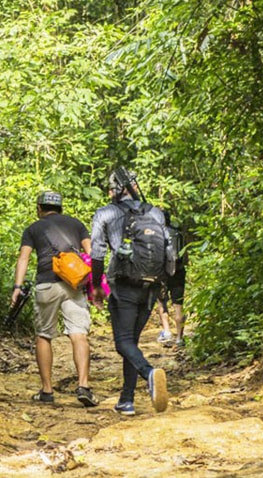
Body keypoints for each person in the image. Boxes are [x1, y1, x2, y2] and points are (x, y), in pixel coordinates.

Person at [90, 167, 169, 416]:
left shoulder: (105, 213)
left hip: (123, 284)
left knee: (123, 342)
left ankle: (148, 374)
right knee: (130, 342)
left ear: (115, 190)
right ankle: (126, 400)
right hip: (151, 285)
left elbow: (97, 254)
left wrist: (95, 286)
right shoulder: (156, 213)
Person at [11, 190, 97, 407]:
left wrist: (17, 287)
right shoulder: (76, 224)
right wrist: (95, 283)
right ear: (60, 208)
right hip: (73, 284)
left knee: (43, 335)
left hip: (46, 284)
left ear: (40, 208)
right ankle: (84, 386)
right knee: (79, 334)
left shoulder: (33, 229)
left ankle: (47, 390)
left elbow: (24, 258)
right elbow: (92, 252)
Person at [155, 210, 187, 347]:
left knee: (162, 302)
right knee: (178, 305)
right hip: (178, 271)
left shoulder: (156, 234)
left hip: (162, 272)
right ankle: (179, 337)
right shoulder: (178, 233)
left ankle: (166, 331)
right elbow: (185, 256)